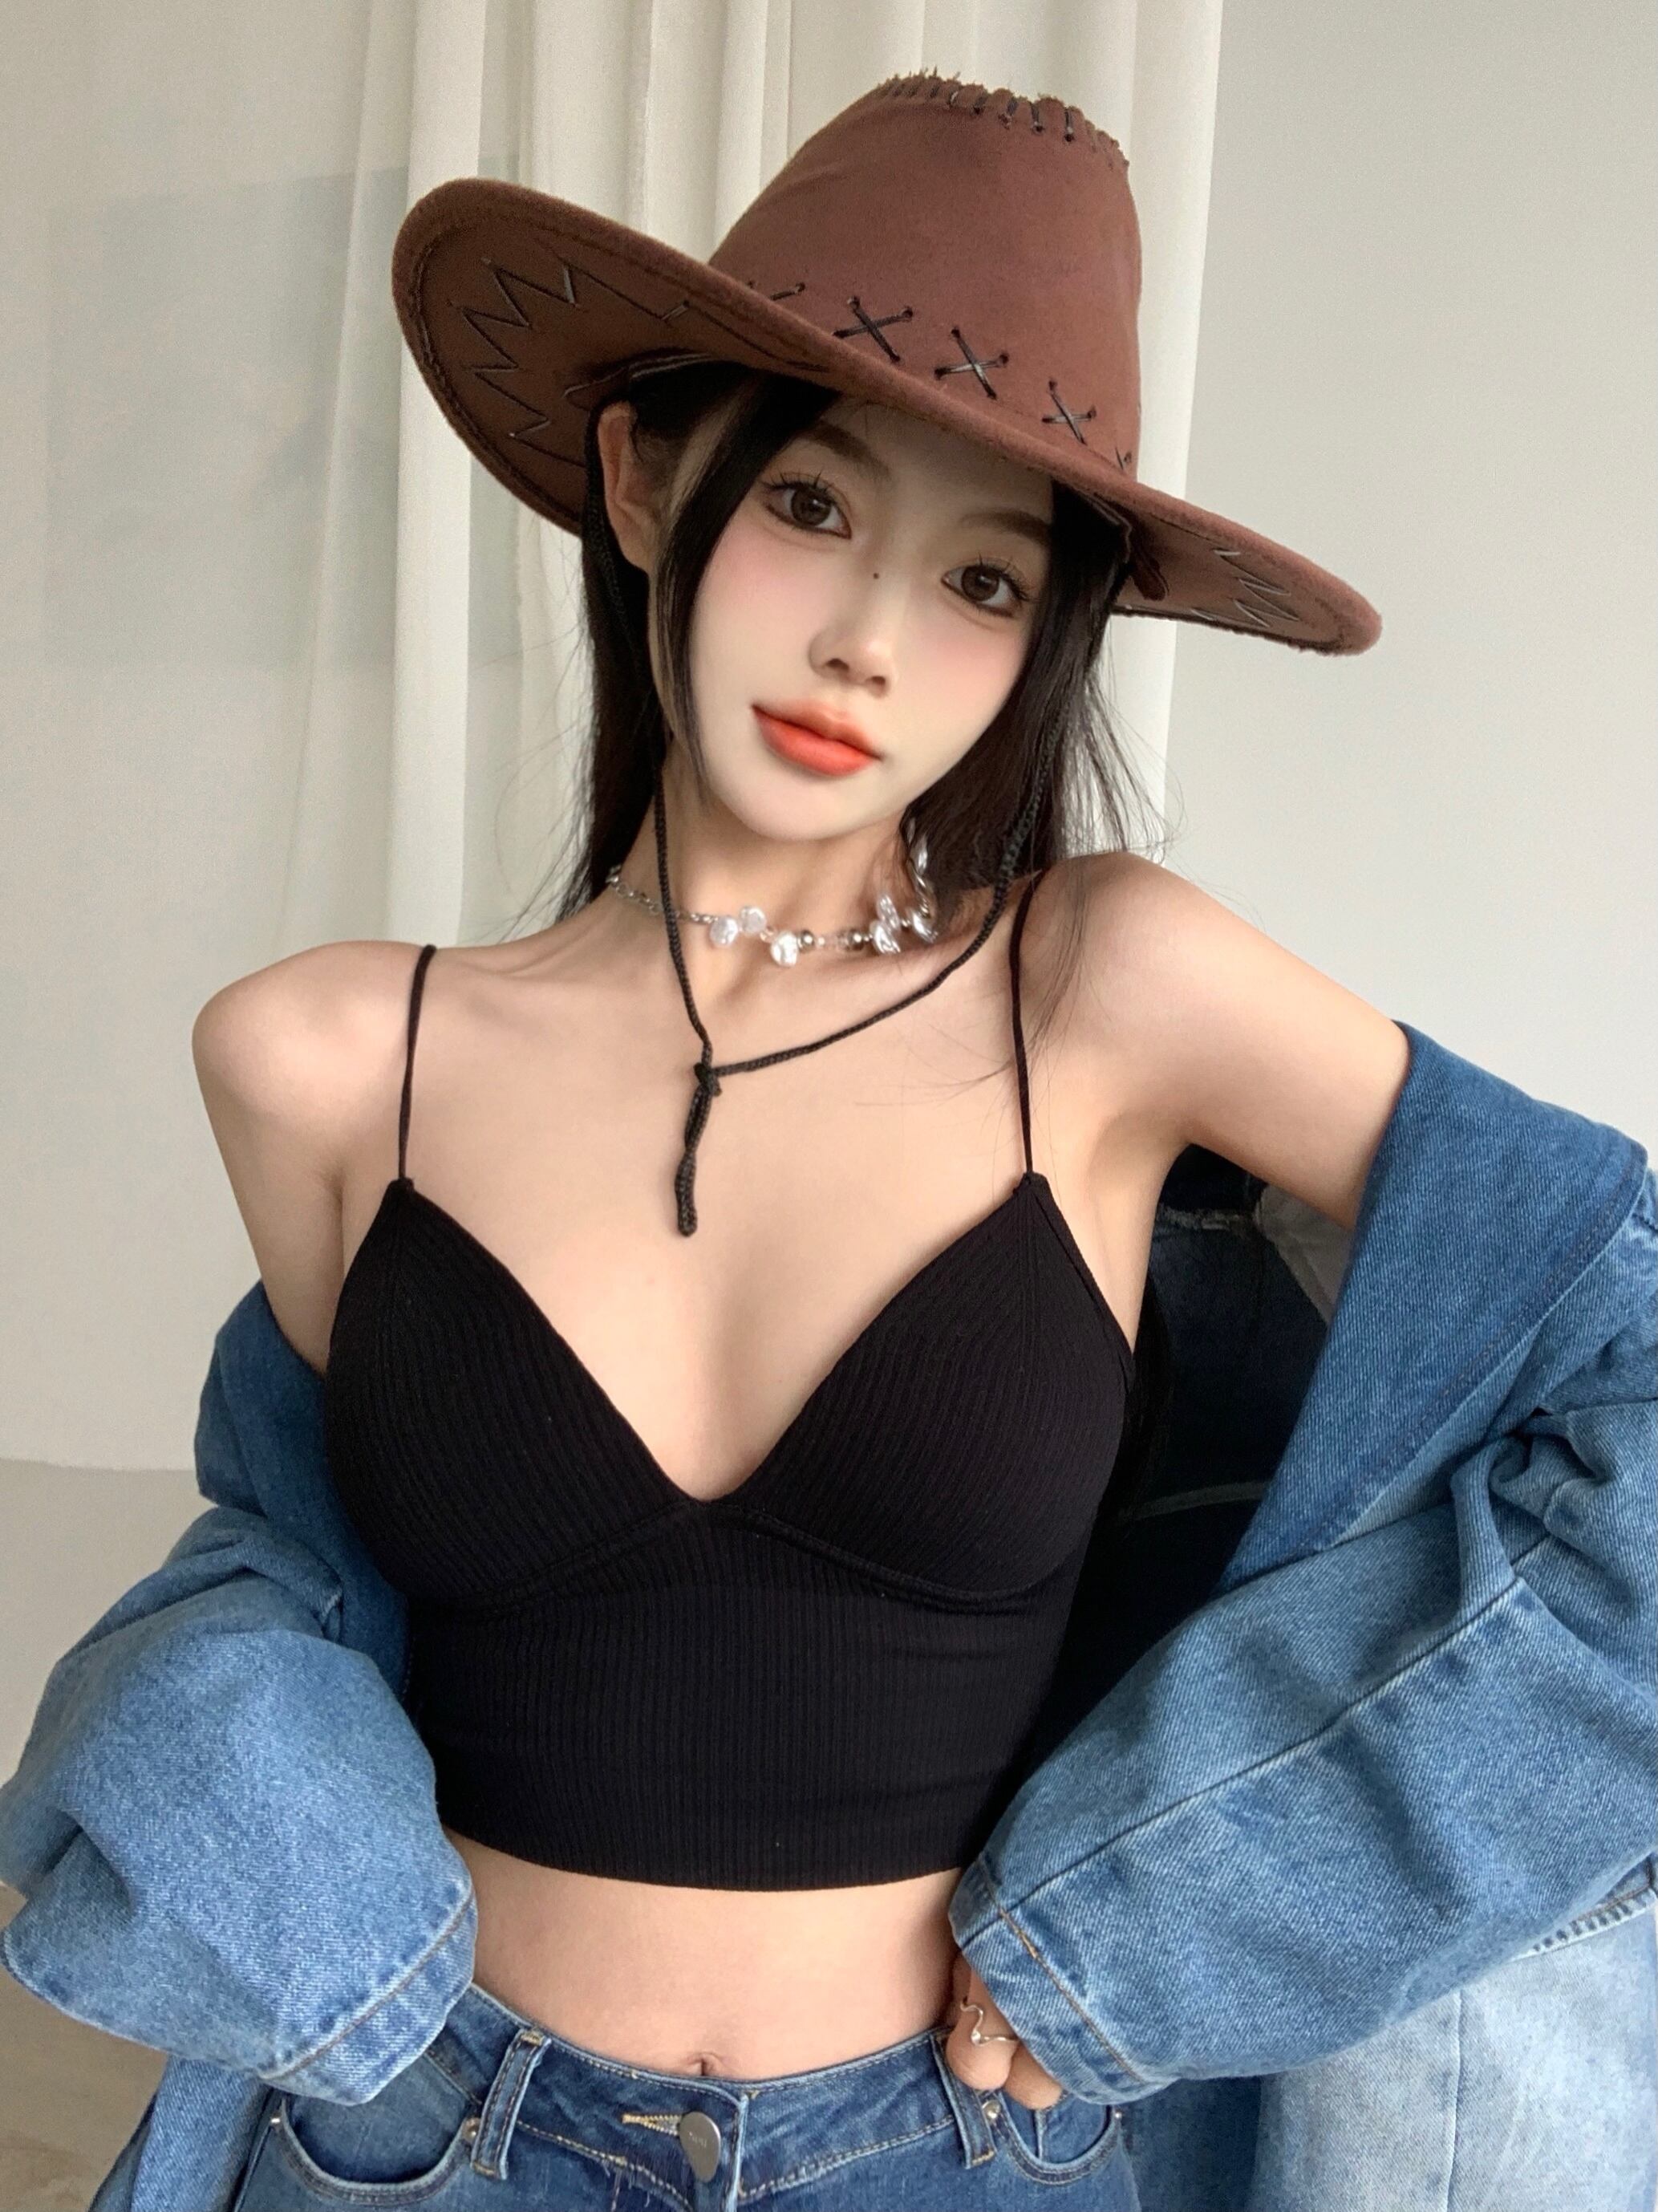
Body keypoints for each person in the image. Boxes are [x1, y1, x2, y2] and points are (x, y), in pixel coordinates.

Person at [18, 71, 1641, 2212]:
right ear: (641, 480)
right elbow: (312, 1567)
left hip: (959, 2153)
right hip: (416, 2142)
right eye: (807, 505)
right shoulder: (325, 1059)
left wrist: (1202, 1896)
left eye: (983, 580)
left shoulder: (1107, 991)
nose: (872, 642)